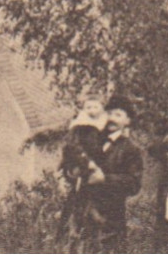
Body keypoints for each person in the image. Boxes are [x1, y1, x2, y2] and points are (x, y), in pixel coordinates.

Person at [78, 96, 144, 252]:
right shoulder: (92, 141)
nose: (112, 119)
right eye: (109, 113)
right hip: (84, 213)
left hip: (110, 219)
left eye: (118, 115)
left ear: (127, 121)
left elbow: (133, 184)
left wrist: (105, 179)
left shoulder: (130, 149)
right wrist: (73, 172)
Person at [57, 95, 109, 241]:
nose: (92, 110)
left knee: (96, 205)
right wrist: (85, 163)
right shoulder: (79, 126)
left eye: (95, 107)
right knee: (78, 203)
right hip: (83, 168)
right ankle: (72, 233)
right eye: (88, 107)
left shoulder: (105, 126)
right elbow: (72, 148)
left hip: (99, 173)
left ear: (102, 108)